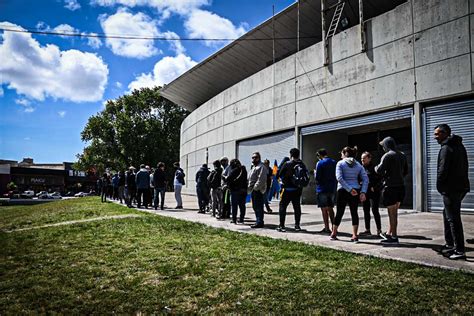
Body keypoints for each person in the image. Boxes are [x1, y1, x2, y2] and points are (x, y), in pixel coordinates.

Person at [434, 124, 470, 260]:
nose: (435, 137)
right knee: (448, 214)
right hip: (461, 187)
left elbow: (442, 171)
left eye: (437, 134)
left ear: (445, 133)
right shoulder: (459, 146)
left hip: (451, 189)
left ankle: (460, 250)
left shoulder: (446, 148)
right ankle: (450, 244)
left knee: (453, 218)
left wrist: (440, 187)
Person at [331, 146, 368, 243]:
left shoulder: (340, 163)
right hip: (356, 190)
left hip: (343, 190)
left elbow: (339, 178)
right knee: (354, 212)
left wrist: (348, 189)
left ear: (345, 153)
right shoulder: (359, 165)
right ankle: (355, 235)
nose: (340, 155)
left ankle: (334, 233)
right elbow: (365, 179)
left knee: (339, 212)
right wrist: (363, 192)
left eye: (341, 153)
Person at [375, 136, 408, 245]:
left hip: (390, 187)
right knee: (395, 213)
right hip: (401, 187)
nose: (383, 148)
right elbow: (406, 171)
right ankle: (390, 233)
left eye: (383, 146)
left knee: (391, 214)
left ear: (386, 145)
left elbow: (379, 170)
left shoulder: (387, 156)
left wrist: (376, 168)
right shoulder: (402, 155)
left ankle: (394, 237)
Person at [277, 148, 309, 232]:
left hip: (286, 189)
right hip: (297, 189)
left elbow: (279, 174)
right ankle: (297, 225)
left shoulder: (287, 164)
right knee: (297, 207)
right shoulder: (302, 164)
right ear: (298, 154)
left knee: (283, 206)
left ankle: (282, 226)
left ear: (290, 155)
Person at [314, 149, 337, 234]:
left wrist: (315, 172)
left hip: (322, 188)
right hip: (332, 188)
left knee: (324, 209)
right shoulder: (334, 162)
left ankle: (327, 228)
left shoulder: (320, 163)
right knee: (331, 208)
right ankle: (334, 228)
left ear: (320, 155)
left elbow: (318, 178)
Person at [360, 151, 383, 236]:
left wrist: (375, 187)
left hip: (374, 192)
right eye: (361, 158)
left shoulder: (375, 168)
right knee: (366, 211)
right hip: (364, 192)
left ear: (369, 158)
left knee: (375, 210)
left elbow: (381, 180)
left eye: (364, 158)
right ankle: (367, 229)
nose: (362, 159)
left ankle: (379, 230)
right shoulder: (360, 168)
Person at [247, 152, 268, 228]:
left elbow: (261, 179)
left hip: (258, 190)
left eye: (255, 157)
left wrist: (256, 188)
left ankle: (259, 222)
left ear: (259, 158)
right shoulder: (253, 167)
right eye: (252, 158)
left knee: (258, 206)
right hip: (253, 190)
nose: (253, 159)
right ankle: (258, 220)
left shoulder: (261, 167)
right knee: (255, 206)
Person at [225, 159, 248, 224]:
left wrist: (224, 177)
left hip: (235, 190)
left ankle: (234, 219)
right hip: (243, 190)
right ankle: (241, 219)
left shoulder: (234, 171)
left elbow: (228, 179)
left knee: (234, 206)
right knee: (242, 205)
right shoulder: (244, 170)